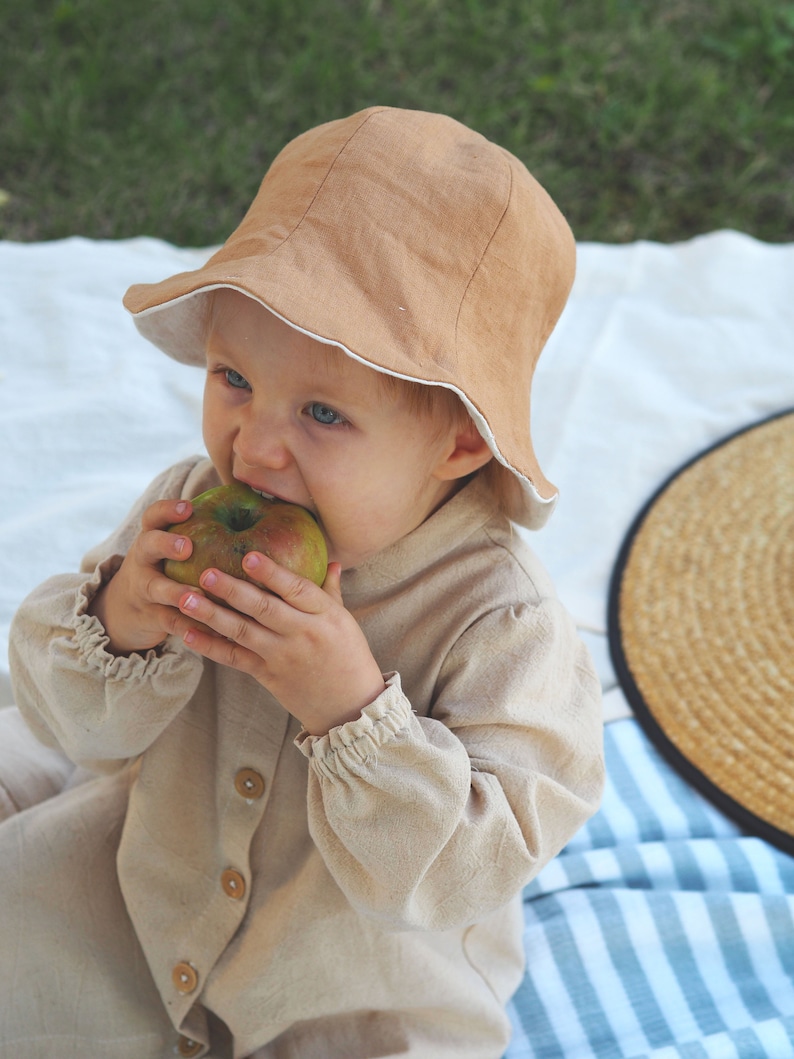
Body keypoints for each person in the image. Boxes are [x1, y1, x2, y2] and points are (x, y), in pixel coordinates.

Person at [0, 106, 604, 1058]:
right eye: (234, 377)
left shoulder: (502, 622)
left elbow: (459, 876)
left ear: (457, 441)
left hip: (349, 978)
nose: (256, 445)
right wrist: (123, 620)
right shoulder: (192, 505)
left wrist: (351, 712)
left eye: (324, 411)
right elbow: (70, 722)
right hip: (142, 892)